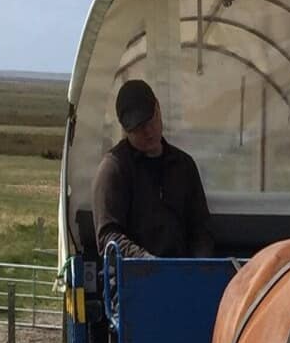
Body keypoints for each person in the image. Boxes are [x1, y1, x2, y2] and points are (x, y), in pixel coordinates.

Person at [91, 78, 215, 258]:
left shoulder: (184, 166)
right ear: (126, 129)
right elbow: (109, 237)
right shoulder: (113, 170)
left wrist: (198, 268)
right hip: (133, 280)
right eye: (138, 127)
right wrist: (149, 264)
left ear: (158, 109)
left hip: (182, 275)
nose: (148, 131)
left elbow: (201, 229)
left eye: (150, 120)